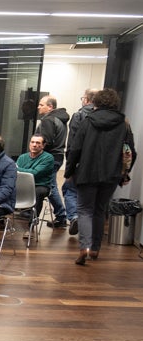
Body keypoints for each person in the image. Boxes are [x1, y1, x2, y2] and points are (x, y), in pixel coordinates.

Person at [65, 88, 137, 265]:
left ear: (95, 102)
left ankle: (84, 247)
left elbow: (75, 148)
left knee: (84, 210)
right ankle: (95, 248)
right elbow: (130, 152)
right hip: (111, 174)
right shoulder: (124, 123)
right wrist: (124, 172)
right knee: (99, 210)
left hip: (87, 172)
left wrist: (69, 171)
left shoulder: (88, 121)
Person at [64, 88, 97, 236]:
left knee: (70, 190)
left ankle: (75, 217)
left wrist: (69, 168)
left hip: (80, 164)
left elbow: (73, 144)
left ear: (87, 99)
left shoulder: (79, 115)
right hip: (102, 168)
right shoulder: (114, 118)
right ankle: (92, 236)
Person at [36, 95, 69, 228]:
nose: (38, 107)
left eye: (41, 105)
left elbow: (46, 141)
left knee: (50, 187)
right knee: (50, 185)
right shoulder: (58, 119)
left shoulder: (48, 120)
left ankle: (61, 216)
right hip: (57, 156)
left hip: (50, 157)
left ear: (50, 107)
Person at [15, 134, 54, 219]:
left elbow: (34, 173)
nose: (34, 145)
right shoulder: (23, 157)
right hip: (22, 185)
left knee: (38, 192)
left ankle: (33, 219)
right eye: (32, 142)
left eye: (38, 143)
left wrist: (17, 169)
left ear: (43, 145)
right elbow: (15, 173)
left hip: (40, 185)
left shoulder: (48, 158)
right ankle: (1, 219)